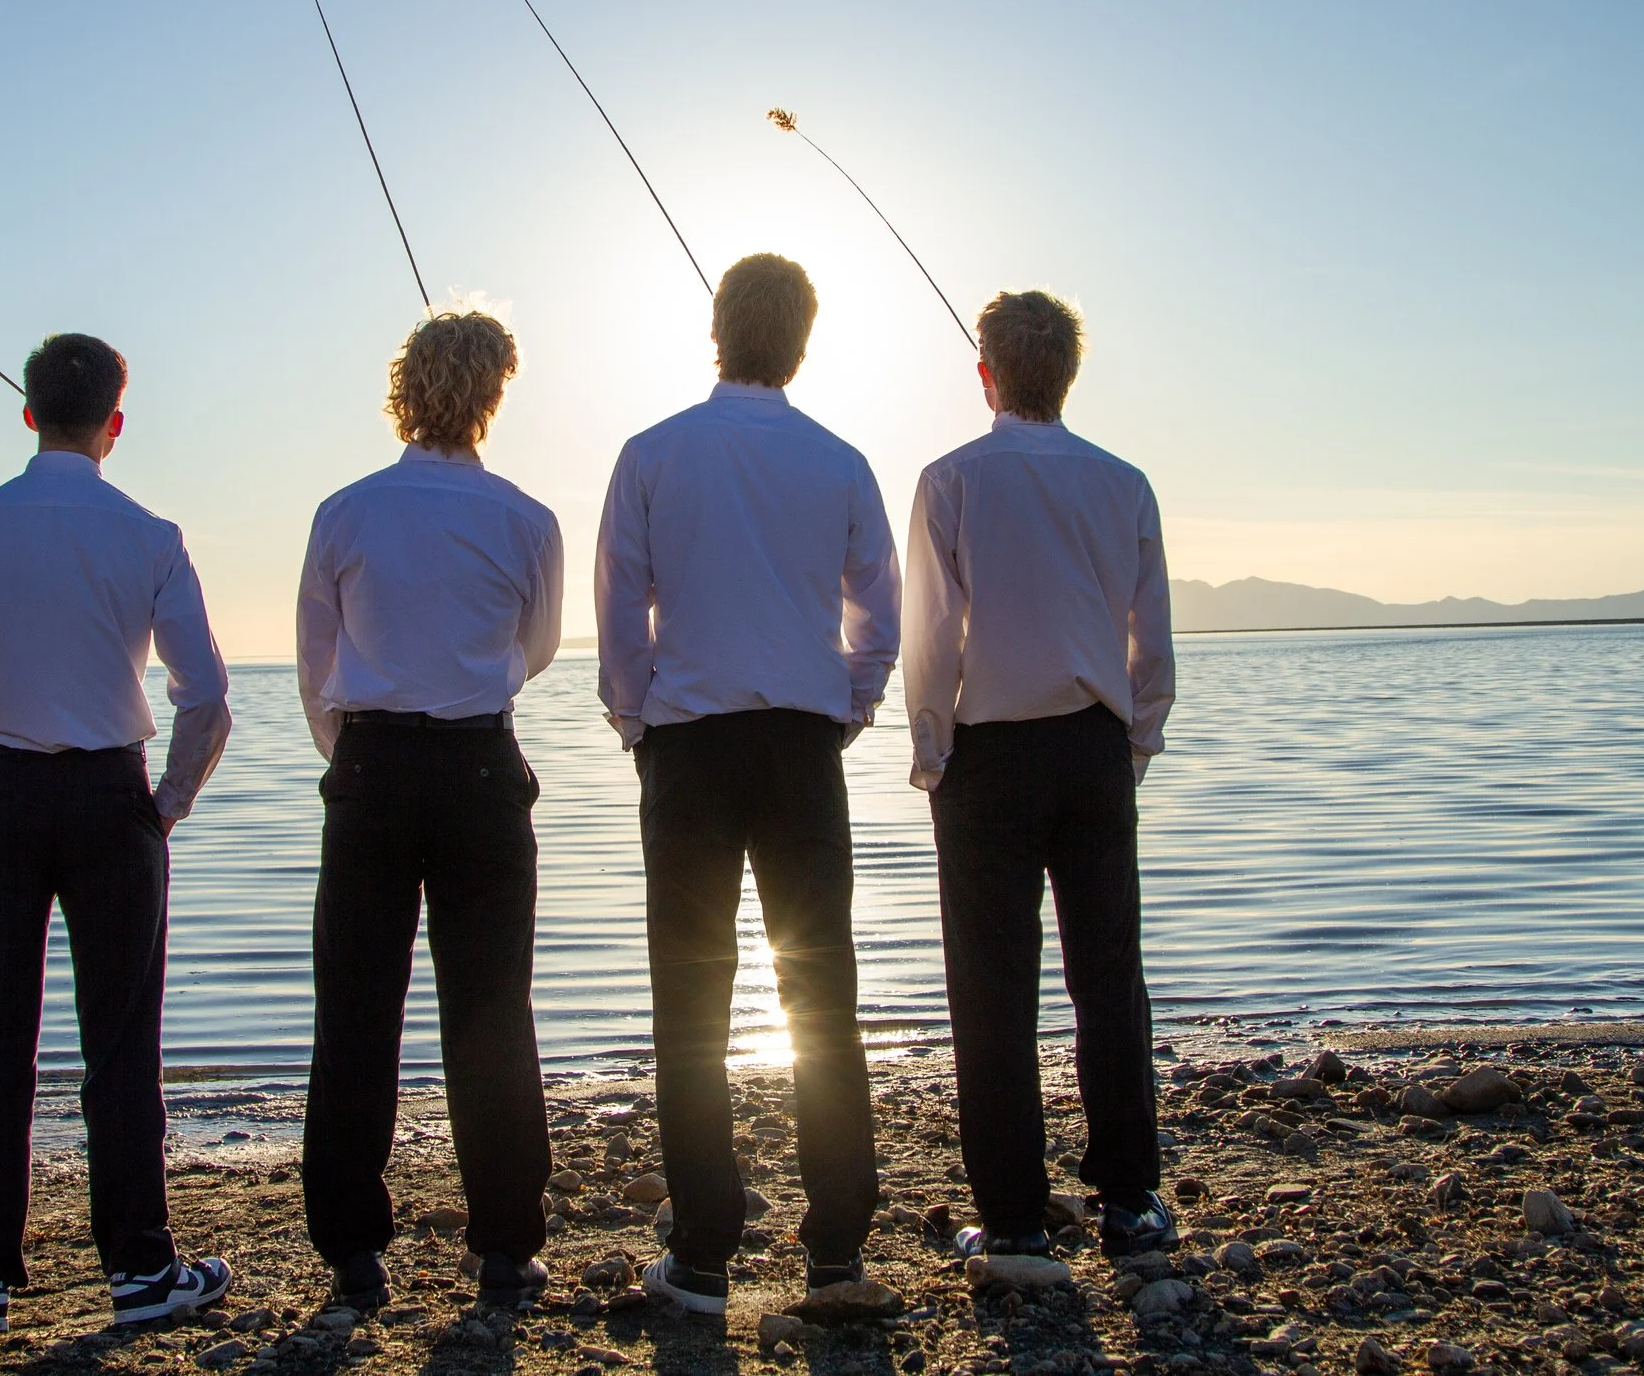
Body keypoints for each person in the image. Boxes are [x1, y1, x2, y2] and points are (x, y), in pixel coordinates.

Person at [0, 333, 234, 1332]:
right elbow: (206, 697)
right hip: (112, 798)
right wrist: (166, 801)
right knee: (122, 1041)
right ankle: (138, 1265)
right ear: (114, 423)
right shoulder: (149, 535)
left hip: (0, 794)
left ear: (28, 412)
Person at [595, 253, 900, 1316]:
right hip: (800, 749)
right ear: (802, 341)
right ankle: (834, 1253)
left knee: (692, 1002)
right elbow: (880, 620)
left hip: (688, 749)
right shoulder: (840, 460)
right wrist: (844, 712)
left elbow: (619, 612)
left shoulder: (651, 453)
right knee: (822, 995)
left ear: (717, 330)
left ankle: (704, 1257)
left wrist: (640, 724)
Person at [901, 290, 1178, 1264]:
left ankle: (1015, 1215)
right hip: (1097, 748)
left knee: (991, 986)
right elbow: (1151, 641)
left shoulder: (949, 480)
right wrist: (1132, 742)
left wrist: (930, 746)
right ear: (1066, 374)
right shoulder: (1123, 482)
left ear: (987, 374)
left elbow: (930, 633)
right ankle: (1131, 1200)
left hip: (989, 755)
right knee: (1108, 976)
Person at [295, 311, 562, 1314]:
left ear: (403, 388)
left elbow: (315, 661)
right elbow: (534, 648)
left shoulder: (347, 510)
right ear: (493, 392)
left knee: (356, 1014)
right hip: (480, 770)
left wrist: (359, 753)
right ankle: (503, 1247)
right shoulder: (525, 517)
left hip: (370, 769)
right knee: (491, 1012)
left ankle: (354, 1253)